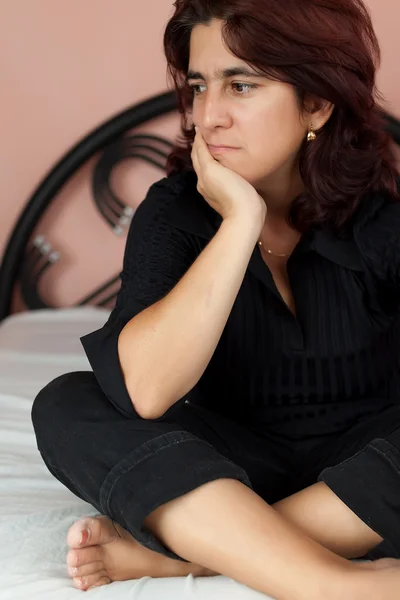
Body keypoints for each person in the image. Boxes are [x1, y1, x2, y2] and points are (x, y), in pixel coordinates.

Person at [31, 0, 400, 597]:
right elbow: (146, 392)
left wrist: (179, 559)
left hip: (359, 468)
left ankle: (191, 558)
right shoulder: (173, 212)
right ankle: (334, 584)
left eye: (242, 86)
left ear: (317, 102)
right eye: (200, 86)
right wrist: (239, 223)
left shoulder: (383, 218)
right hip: (219, 469)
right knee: (66, 403)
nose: (209, 116)